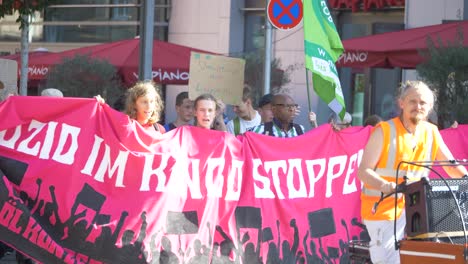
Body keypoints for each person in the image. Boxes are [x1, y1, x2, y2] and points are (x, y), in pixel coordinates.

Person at [357, 80, 468, 264]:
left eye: (423, 103)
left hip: (417, 212)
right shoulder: (384, 131)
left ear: (430, 107)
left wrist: (466, 179)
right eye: (412, 101)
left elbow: (450, 165)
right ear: (401, 103)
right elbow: (364, 171)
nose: (418, 106)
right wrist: (387, 186)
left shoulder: (431, 132)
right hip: (383, 212)